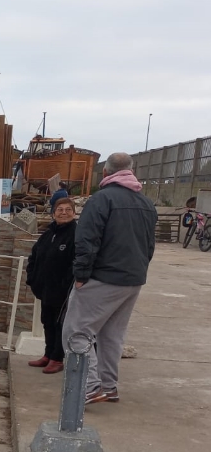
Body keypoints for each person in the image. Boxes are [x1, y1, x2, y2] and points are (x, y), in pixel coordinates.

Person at [61, 152, 157, 404]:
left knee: (76, 331)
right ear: (131, 171)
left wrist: (81, 275)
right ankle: (108, 386)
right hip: (132, 279)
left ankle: (90, 385)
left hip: (103, 276)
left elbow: (86, 240)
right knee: (112, 335)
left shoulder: (101, 200)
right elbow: (149, 245)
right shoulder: (146, 203)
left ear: (105, 173)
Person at [25, 197, 77, 374]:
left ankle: (57, 358)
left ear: (74, 213)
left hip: (63, 291)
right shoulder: (48, 234)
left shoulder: (76, 234)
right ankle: (47, 354)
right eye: (60, 210)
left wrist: (66, 284)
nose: (64, 213)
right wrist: (32, 278)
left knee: (60, 324)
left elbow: (76, 263)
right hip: (45, 288)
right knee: (46, 321)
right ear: (53, 213)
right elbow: (34, 256)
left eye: (68, 209)